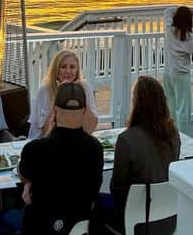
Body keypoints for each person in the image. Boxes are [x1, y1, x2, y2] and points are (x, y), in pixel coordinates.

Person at [18, 82, 104, 235]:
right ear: (84, 111)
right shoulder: (95, 148)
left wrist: (30, 183)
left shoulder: (36, 149)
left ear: (55, 110)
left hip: (40, 226)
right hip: (79, 225)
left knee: (2, 219)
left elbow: (23, 174)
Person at [105, 76, 180, 233]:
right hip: (169, 216)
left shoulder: (127, 140)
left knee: (97, 202)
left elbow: (116, 189)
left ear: (136, 104)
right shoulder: (173, 134)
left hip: (137, 220)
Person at [28, 49, 99, 139]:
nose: (68, 71)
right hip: (45, 141)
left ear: (77, 70)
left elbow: (91, 127)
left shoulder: (84, 87)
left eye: (72, 67)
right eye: (63, 67)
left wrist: (83, 95)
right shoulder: (45, 90)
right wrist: (58, 94)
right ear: (56, 70)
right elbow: (46, 131)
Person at [163, 5, 193, 134]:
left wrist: (182, 9)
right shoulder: (188, 37)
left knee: (171, 106)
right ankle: (183, 138)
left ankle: (171, 133)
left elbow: (167, 11)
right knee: (183, 108)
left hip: (168, 73)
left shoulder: (169, 29)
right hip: (181, 74)